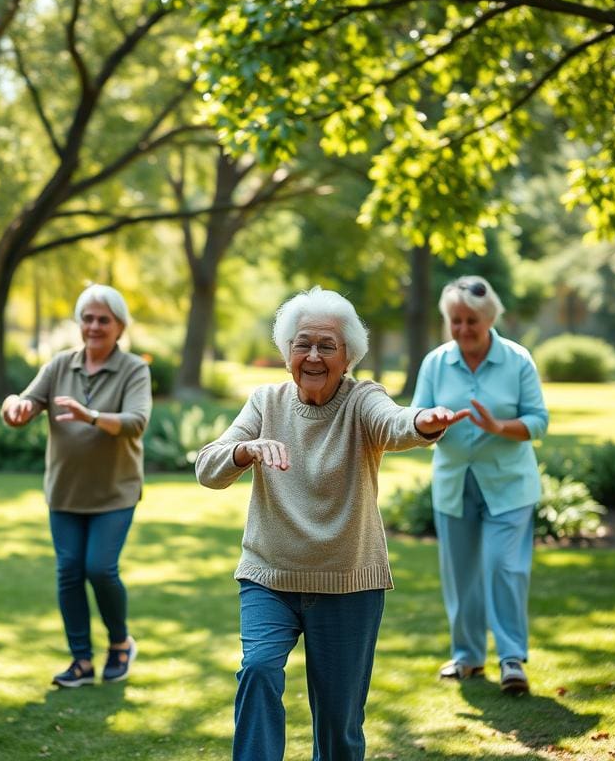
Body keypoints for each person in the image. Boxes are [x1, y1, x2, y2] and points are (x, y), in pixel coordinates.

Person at [195, 286, 470, 761]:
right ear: (287, 353)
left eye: (328, 346)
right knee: (258, 669)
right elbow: (207, 467)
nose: (314, 356)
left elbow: (396, 423)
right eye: (303, 344)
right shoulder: (266, 403)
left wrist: (426, 421)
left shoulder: (363, 399)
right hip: (270, 576)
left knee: (339, 723)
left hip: (348, 580)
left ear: (348, 357)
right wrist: (245, 450)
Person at [0, 284, 152, 688]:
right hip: (65, 492)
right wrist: (16, 408)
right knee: (69, 572)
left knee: (100, 568)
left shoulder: (134, 369)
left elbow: (136, 421)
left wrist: (91, 416)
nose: (94, 326)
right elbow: (27, 401)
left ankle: (120, 644)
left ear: (119, 326)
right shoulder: (59, 366)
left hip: (114, 491)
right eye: (87, 318)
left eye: (104, 319)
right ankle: (81, 661)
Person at [412, 276, 548, 694]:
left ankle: (511, 660)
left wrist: (498, 426)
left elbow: (538, 421)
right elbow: (414, 417)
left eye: (471, 320)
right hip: (454, 484)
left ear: (488, 319)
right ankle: (468, 658)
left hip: (509, 487)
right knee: (461, 574)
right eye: (456, 321)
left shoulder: (517, 360)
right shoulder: (436, 362)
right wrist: (429, 423)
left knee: (503, 568)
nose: (463, 329)